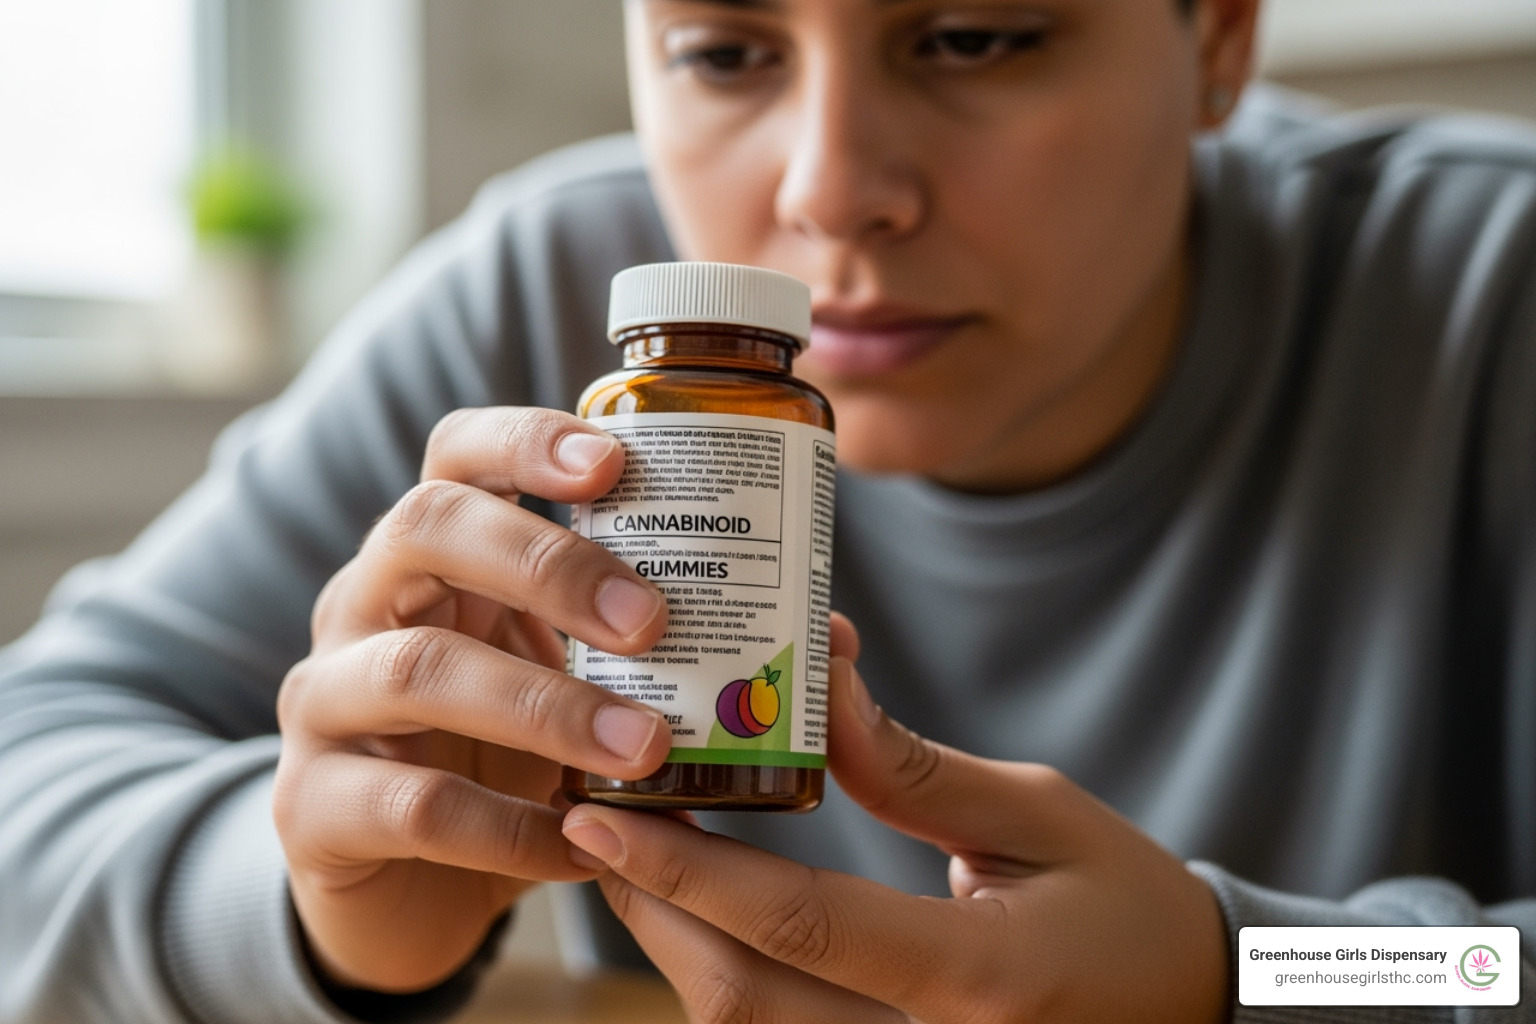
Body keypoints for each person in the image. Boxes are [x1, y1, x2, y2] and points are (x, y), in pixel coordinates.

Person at [2, 0, 1535, 1020]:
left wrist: (1251, 976)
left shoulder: (1490, 302)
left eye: (974, 35)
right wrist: (321, 896)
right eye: (726, 52)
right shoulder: (557, 319)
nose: (831, 187)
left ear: (1217, 40)